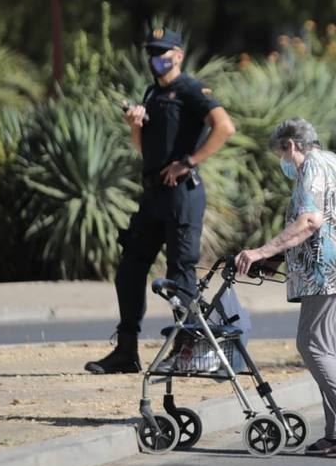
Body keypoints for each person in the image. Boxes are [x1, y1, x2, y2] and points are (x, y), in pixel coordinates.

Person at [86, 26, 236, 375]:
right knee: (130, 269)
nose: (156, 58)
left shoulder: (191, 89)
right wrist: (134, 124)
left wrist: (189, 162)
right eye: (152, 52)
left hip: (181, 196)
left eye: (163, 52)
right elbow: (142, 148)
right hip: (152, 195)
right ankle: (126, 350)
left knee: (179, 274)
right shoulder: (153, 92)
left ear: (178, 55)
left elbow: (224, 127)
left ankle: (186, 350)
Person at [235, 118, 336, 458]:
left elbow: (310, 221)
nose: (283, 164)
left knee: (313, 347)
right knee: (329, 353)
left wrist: (260, 252)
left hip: (330, 274)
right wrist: (278, 256)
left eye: (281, 155)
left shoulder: (311, 167)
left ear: (290, 145)